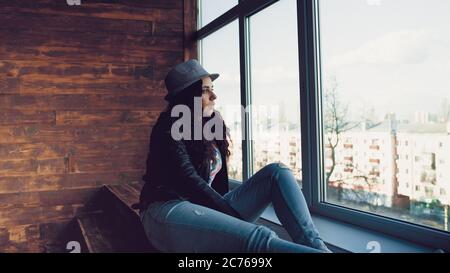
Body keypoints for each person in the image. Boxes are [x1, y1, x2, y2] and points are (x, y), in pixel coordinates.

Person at [136, 59, 331, 253]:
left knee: (276, 173)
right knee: (260, 238)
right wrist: (232, 217)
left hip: (202, 208)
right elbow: (190, 180)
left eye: (212, 88)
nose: (214, 96)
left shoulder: (210, 126)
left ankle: (318, 248)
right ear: (189, 96)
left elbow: (218, 186)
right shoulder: (168, 126)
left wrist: (229, 217)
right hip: (166, 210)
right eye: (205, 90)